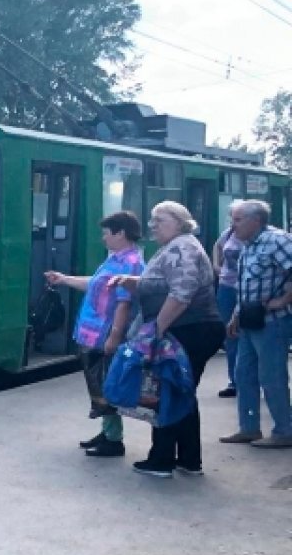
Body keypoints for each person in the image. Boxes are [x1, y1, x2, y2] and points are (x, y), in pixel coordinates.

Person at [110, 201, 224, 478]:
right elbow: (165, 283)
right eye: (152, 220)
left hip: (186, 329)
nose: (153, 225)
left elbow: (181, 293)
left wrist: (156, 330)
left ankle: (161, 461)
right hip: (193, 328)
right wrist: (133, 281)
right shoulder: (179, 246)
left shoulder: (182, 247)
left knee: (166, 392)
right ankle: (188, 459)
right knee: (182, 392)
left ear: (179, 221)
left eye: (160, 220)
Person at [45, 211, 145, 457]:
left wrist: (114, 336)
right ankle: (108, 432)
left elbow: (124, 303)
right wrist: (64, 279)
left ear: (120, 233)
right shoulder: (115, 258)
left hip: (105, 334)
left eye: (106, 233)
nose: (103, 238)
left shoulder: (130, 262)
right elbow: (95, 283)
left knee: (105, 385)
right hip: (93, 333)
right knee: (98, 385)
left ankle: (114, 440)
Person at [217, 199, 292, 448]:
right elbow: (245, 285)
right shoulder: (247, 245)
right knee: (243, 374)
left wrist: (283, 300)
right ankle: (249, 428)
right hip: (250, 320)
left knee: (271, 376)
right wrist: (236, 315)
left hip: (273, 322)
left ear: (256, 220)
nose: (233, 225)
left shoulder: (277, 241)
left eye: (238, 220)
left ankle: (284, 431)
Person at [212, 203, 245, 397]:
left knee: (249, 335)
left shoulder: (253, 237)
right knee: (230, 333)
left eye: (238, 218)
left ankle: (253, 380)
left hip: (247, 290)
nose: (234, 221)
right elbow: (217, 246)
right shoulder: (228, 233)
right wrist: (217, 266)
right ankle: (234, 381)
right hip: (226, 289)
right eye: (232, 216)